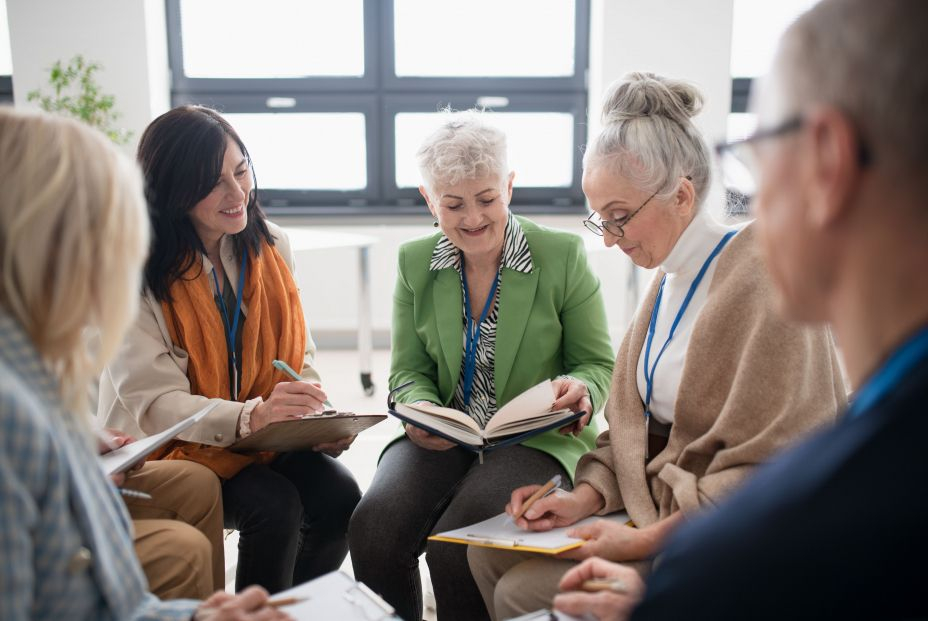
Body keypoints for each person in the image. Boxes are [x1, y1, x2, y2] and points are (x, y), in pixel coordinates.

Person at [554, 1, 928, 619]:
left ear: (827, 161)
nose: (752, 200)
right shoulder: (663, 286)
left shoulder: (778, 545)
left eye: (754, 152)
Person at [468, 72, 848, 620]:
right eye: (600, 219)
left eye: (619, 218)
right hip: (660, 505)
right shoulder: (669, 280)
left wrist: (642, 542)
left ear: (683, 195)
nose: (608, 239)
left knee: (520, 593)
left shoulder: (766, 280)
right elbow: (639, 430)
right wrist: (582, 499)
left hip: (729, 532)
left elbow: (781, 468)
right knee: (486, 557)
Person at [0, 107, 289, 620]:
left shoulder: (32, 369)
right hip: (186, 437)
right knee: (255, 509)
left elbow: (294, 355)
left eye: (241, 170)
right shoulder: (14, 412)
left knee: (321, 495)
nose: (119, 255)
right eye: (105, 232)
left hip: (214, 438)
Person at [347, 110, 615, 621]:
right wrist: (420, 409)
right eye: (453, 204)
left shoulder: (561, 255)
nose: (472, 218)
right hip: (445, 434)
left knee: (457, 542)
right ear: (429, 200)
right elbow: (407, 371)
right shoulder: (414, 262)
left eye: (487, 199)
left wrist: (579, 387)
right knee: (373, 526)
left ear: (509, 186)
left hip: (534, 438)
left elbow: (596, 363)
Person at [98, 105, 361, 594]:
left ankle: (296, 608)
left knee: (340, 496)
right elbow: (156, 404)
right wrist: (250, 418)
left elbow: (297, 355)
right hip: (175, 446)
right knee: (273, 506)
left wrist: (311, 415)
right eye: (214, 183)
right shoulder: (130, 269)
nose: (238, 194)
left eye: (241, 172)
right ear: (171, 189)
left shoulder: (271, 245)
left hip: (259, 435)